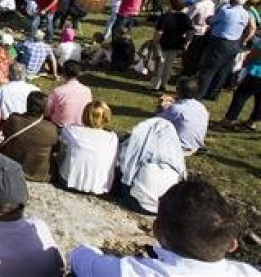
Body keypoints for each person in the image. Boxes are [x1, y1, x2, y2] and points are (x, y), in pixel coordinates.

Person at [69, 180, 259, 276]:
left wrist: (100, 251)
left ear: (158, 231)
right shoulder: (250, 273)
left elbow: (79, 256)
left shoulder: (132, 272)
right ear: (232, 244)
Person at [118, 117, 187, 214]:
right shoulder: (175, 156)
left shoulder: (142, 147)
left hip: (138, 204)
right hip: (166, 208)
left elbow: (124, 165)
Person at [198, 0, 250, 100]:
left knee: (209, 68)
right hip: (235, 43)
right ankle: (213, 93)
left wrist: (210, 18)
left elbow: (212, 21)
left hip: (220, 42)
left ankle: (199, 92)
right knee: (223, 70)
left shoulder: (226, 11)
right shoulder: (245, 13)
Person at [57, 101, 118, 195]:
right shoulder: (112, 138)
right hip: (99, 187)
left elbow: (61, 150)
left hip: (68, 181)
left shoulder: (71, 130)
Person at [0, 91, 59, 182]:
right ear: (45, 108)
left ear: (27, 104)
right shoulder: (51, 129)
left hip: (11, 166)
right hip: (38, 173)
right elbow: (56, 148)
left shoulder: (14, 120)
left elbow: (5, 132)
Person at [151, 0, 194, 91]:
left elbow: (159, 32)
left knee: (159, 64)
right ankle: (164, 83)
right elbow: (190, 31)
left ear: (170, 5)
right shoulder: (185, 17)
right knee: (169, 65)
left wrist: (154, 42)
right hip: (176, 44)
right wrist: (187, 42)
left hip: (162, 44)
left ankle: (155, 85)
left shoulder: (165, 17)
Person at [157, 77, 209, 154]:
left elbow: (157, 122)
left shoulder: (176, 108)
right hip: (195, 146)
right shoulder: (201, 106)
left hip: (178, 147)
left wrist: (160, 107)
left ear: (178, 90)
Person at [222, 33, 261, 131]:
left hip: (256, 72)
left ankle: (230, 119)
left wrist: (244, 64)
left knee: (240, 95)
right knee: (260, 99)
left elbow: (254, 55)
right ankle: (253, 121)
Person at [45, 61, 93, 128]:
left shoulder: (57, 92)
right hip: (82, 125)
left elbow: (47, 113)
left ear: (63, 73)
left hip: (60, 127)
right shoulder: (87, 90)